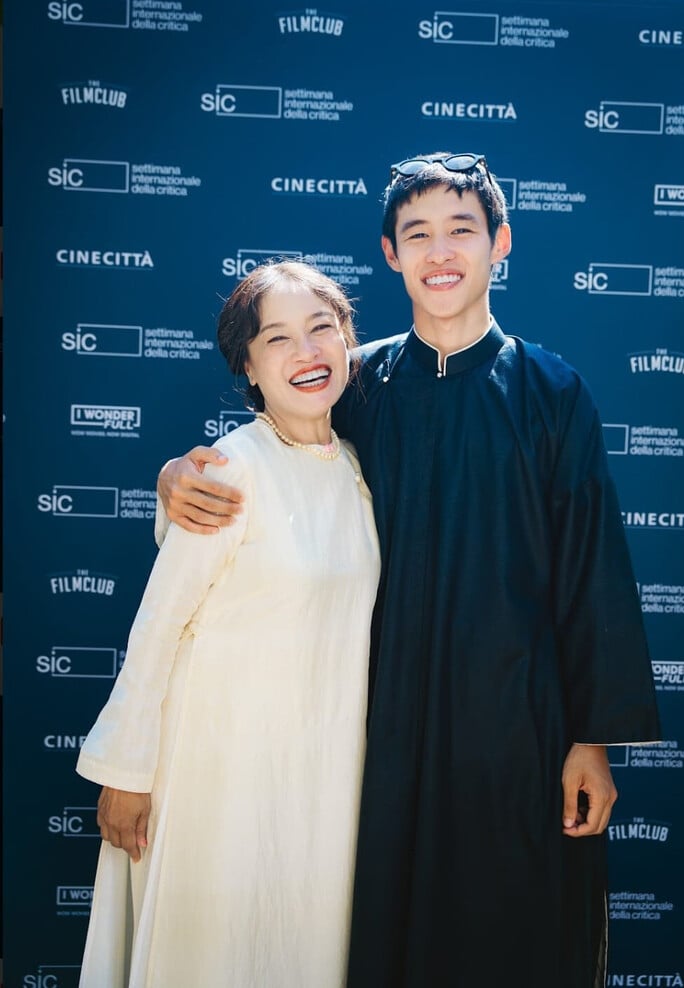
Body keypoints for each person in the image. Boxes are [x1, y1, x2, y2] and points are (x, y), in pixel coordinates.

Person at [158, 152, 660, 987]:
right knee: (374, 933)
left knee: (517, 928)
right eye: (416, 233)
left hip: (516, 727)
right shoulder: (354, 384)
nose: (440, 252)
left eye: (461, 230)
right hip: (369, 722)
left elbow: (590, 568)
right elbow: (260, 470)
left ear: (500, 242)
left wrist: (589, 739)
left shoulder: (550, 392)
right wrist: (173, 479)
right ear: (389, 254)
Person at [75, 260, 381, 988]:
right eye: (276, 338)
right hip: (214, 777)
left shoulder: (361, 470)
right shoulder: (229, 470)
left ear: (347, 340)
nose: (305, 352)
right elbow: (159, 624)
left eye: (321, 328)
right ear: (248, 365)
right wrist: (126, 771)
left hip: (316, 780)